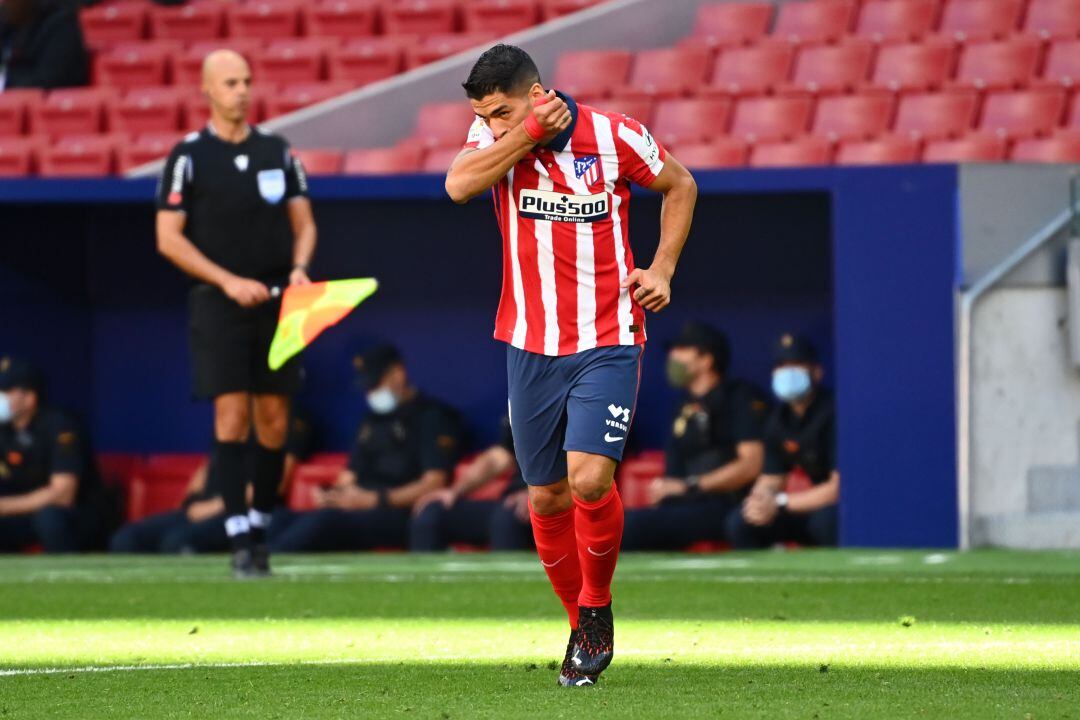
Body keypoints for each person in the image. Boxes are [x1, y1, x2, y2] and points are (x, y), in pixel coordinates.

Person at [444, 44, 698, 687]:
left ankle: (595, 606)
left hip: (608, 335)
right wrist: (522, 134)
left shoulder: (612, 135)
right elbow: (458, 185)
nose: (492, 126)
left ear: (537, 91)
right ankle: (580, 626)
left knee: (587, 480)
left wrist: (663, 267)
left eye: (502, 112)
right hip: (529, 340)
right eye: (485, 117)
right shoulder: (497, 135)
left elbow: (680, 184)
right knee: (546, 493)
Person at [155, 50, 317, 578]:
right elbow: (168, 238)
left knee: (274, 420)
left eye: (247, 80)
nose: (241, 90)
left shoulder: (277, 150)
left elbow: (305, 223)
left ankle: (262, 522)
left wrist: (298, 268)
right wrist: (226, 280)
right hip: (218, 303)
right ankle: (238, 536)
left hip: (277, 300)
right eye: (230, 82)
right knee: (231, 413)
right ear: (206, 89)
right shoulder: (188, 156)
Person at [269, 346, 462, 552]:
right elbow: (350, 475)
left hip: (398, 513)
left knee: (327, 521)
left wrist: (375, 500)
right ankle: (252, 560)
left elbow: (434, 482)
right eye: (367, 387)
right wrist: (332, 495)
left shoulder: (433, 417)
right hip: (356, 509)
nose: (371, 393)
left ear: (398, 375)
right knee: (278, 519)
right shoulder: (371, 421)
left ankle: (270, 564)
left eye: (376, 384)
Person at [621, 323, 768, 550]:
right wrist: (666, 488)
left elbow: (751, 464)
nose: (673, 356)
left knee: (629, 525)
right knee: (620, 522)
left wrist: (690, 486)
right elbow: (675, 472)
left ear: (706, 359)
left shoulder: (739, 398)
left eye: (682, 349)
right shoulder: (683, 406)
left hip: (729, 505)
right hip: (685, 505)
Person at [109, 410, 315, 554]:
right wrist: (188, 502)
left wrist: (217, 505)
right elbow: (208, 465)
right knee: (126, 539)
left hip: (241, 511)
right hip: (203, 507)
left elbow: (275, 482)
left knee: (178, 541)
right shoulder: (230, 414)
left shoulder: (288, 415)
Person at [727, 334, 839, 548]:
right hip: (803, 507)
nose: (788, 372)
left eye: (796, 364)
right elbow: (770, 479)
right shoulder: (778, 419)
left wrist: (780, 501)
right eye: (782, 365)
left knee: (824, 522)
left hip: (841, 507)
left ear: (817, 371)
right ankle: (761, 579)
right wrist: (760, 502)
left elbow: (837, 489)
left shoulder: (833, 411)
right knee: (741, 522)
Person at [0, 356, 105, 552]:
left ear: (30, 398)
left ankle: (68, 579)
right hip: (27, 514)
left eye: (5, 391)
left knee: (49, 518)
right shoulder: (4, 430)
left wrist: (4, 506)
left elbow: (63, 495)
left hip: (78, 515)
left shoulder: (60, 425)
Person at [410, 416, 532, 552]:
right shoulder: (521, 406)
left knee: (507, 518)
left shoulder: (558, 405)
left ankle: (509, 573)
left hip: (547, 497)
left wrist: (535, 492)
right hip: (511, 500)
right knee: (432, 514)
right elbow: (498, 458)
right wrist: (453, 491)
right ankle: (425, 573)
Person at [0, 0, 88, 90]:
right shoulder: (6, 17)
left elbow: (49, 80)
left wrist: (5, 83)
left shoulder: (61, 23)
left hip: (47, 99)